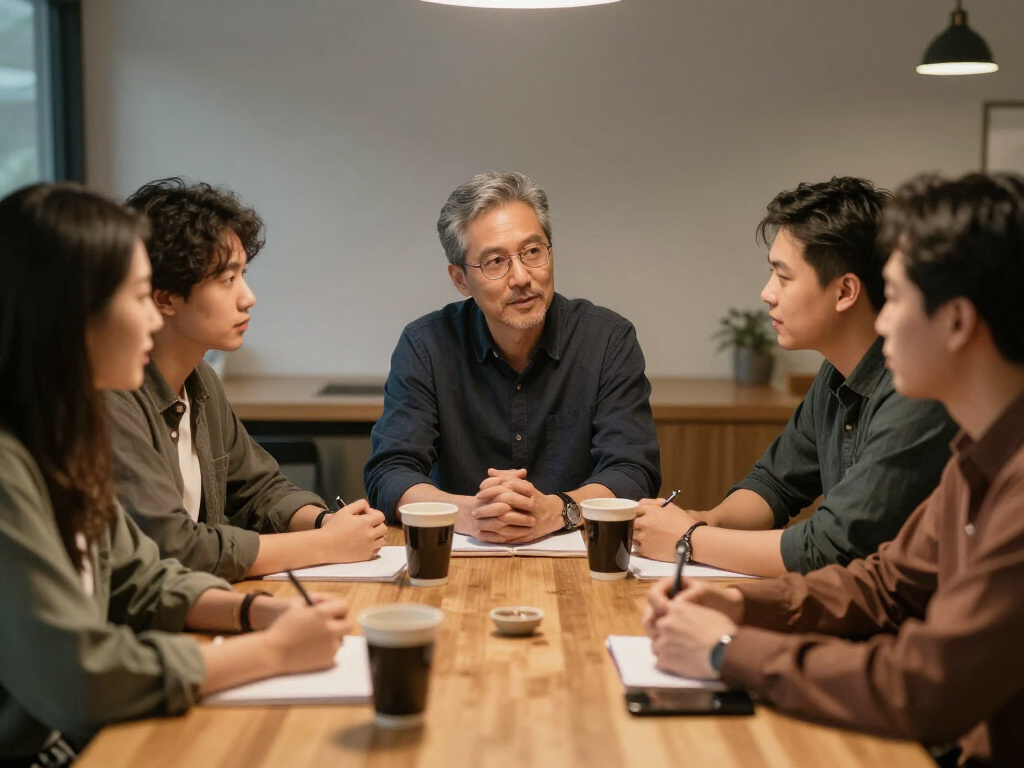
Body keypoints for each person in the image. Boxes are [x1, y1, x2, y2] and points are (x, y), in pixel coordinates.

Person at [643, 172, 1024, 767]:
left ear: (955, 322)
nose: (883, 320)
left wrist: (727, 648)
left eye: (895, 297)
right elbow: (885, 584)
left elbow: (927, 686)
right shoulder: (975, 456)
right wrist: (740, 607)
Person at [0, 183, 351, 764]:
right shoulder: (12, 464)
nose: (150, 318)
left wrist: (255, 612)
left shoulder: (61, 434)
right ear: (71, 312)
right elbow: (79, 678)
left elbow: (140, 576)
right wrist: (269, 652)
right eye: (140, 296)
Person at [633, 177, 957, 576]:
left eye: (783, 277)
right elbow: (775, 483)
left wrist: (688, 540)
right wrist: (705, 521)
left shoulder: (915, 390)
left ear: (845, 292)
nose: (767, 293)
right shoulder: (835, 371)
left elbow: (834, 546)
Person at [106, 178, 386, 582]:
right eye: (228, 280)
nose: (248, 297)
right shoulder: (115, 395)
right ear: (164, 298)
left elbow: (259, 489)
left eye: (243, 275)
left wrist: (325, 522)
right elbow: (174, 547)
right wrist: (325, 544)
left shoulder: (200, 378)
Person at [364, 170, 661, 543]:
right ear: (460, 280)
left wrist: (556, 510)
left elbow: (633, 470)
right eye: (495, 261)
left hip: (581, 555)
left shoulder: (607, 341)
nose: (521, 277)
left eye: (532, 252)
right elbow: (391, 473)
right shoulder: (426, 346)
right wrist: (472, 514)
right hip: (459, 554)